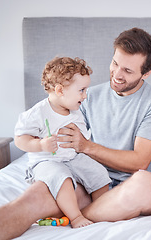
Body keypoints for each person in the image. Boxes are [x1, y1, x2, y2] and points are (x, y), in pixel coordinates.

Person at [0, 27, 151, 239]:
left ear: (147, 72)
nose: (117, 75)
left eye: (128, 71)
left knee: (146, 183)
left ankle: (74, 215)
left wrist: (85, 145)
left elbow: (139, 162)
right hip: (86, 180)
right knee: (34, 196)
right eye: (115, 64)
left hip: (132, 184)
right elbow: (55, 124)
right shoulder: (86, 96)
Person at [14, 57, 112, 228]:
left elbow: (83, 138)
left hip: (72, 158)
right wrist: (40, 145)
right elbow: (20, 139)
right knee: (62, 179)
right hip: (46, 161)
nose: (85, 95)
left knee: (99, 173)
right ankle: (75, 217)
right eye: (81, 90)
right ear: (60, 90)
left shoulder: (75, 111)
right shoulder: (38, 113)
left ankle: (101, 210)